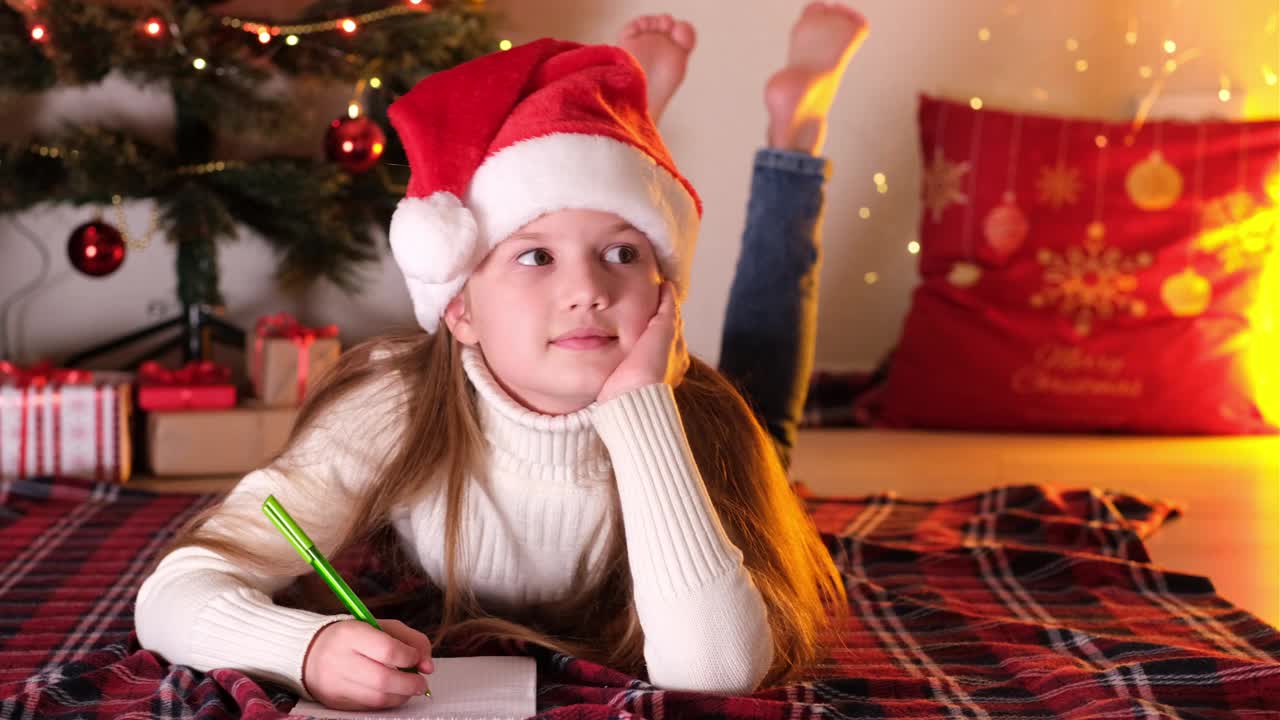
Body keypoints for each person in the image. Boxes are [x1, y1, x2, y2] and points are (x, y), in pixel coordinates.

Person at [135, 4, 868, 712]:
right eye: (535, 255)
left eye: (624, 252)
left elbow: (717, 674)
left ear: (665, 294)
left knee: (763, 383)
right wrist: (306, 648)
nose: (587, 290)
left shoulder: (700, 419)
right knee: (722, 327)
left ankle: (792, 134)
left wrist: (644, 407)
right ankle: (623, 113)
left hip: (692, 431)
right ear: (460, 308)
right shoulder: (393, 408)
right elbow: (176, 590)